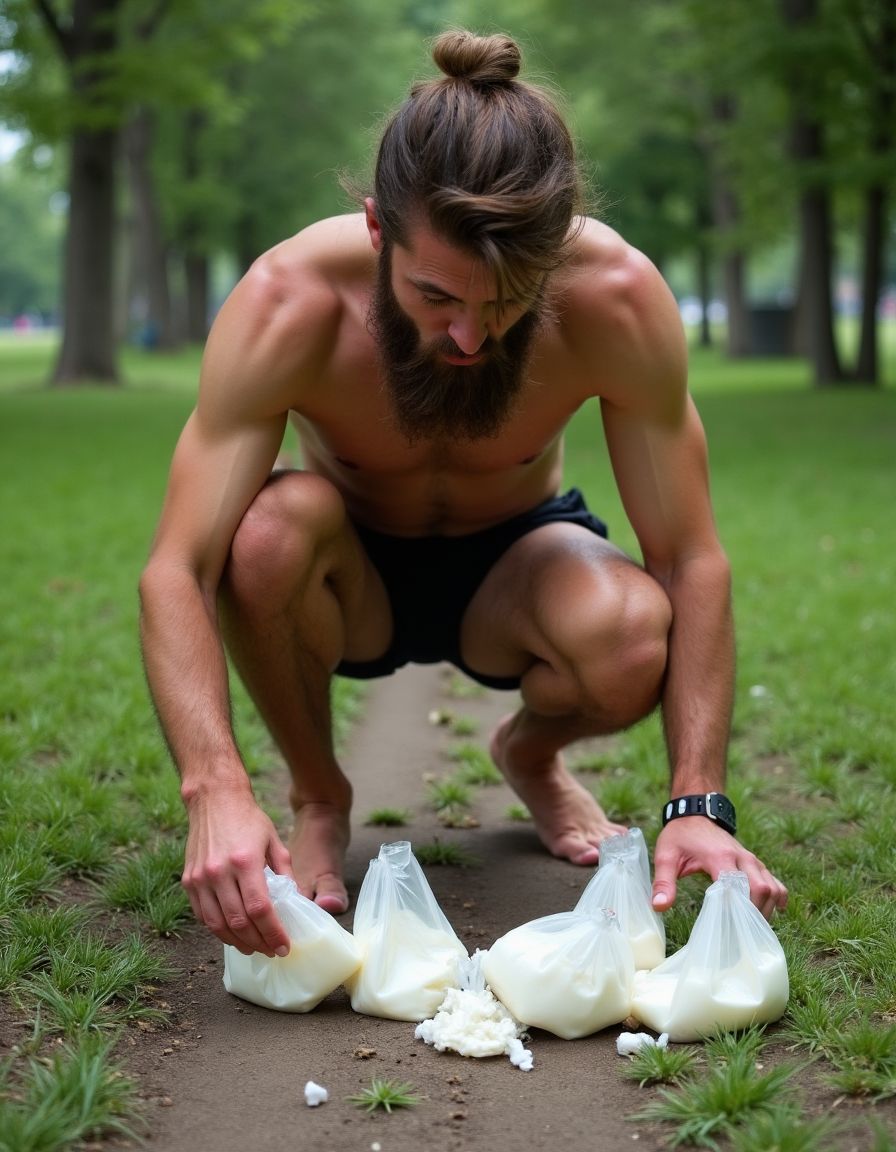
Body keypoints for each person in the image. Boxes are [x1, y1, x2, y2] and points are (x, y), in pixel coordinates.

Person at [139, 29, 787, 960]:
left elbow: (689, 557)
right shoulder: (289, 302)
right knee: (267, 531)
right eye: (437, 295)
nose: (472, 337)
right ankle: (320, 792)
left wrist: (698, 801)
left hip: (514, 564)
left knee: (636, 630)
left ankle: (529, 754)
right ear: (376, 229)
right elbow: (177, 569)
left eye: (507, 300)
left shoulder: (613, 296)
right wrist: (215, 786)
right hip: (345, 569)